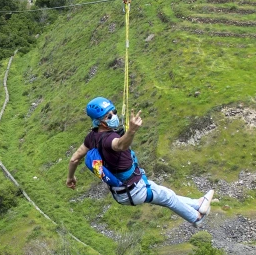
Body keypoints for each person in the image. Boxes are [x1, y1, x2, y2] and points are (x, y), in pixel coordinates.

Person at [66, 97, 214, 227]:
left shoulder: (92, 137)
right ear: (99, 122)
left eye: (114, 112)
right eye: (109, 116)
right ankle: (196, 218)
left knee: (166, 194)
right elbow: (120, 145)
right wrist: (131, 131)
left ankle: (198, 204)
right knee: (168, 198)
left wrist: (70, 178)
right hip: (134, 190)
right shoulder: (108, 139)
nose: (114, 116)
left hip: (124, 191)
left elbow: (75, 158)